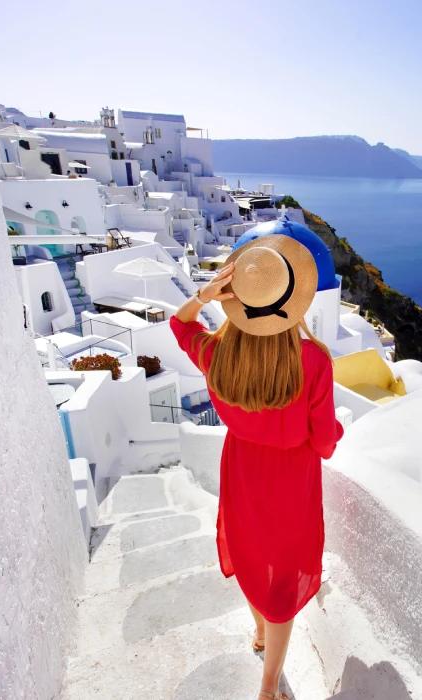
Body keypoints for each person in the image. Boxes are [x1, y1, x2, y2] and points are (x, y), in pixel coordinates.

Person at [169, 234, 344, 700]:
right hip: (291, 483)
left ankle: (261, 634)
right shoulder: (313, 362)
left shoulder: (216, 354)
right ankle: (269, 685)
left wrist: (205, 296)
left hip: (242, 472)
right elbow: (325, 443)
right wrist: (334, 433)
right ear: (293, 302)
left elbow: (179, 323)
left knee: (251, 557)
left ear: (238, 302)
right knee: (283, 580)